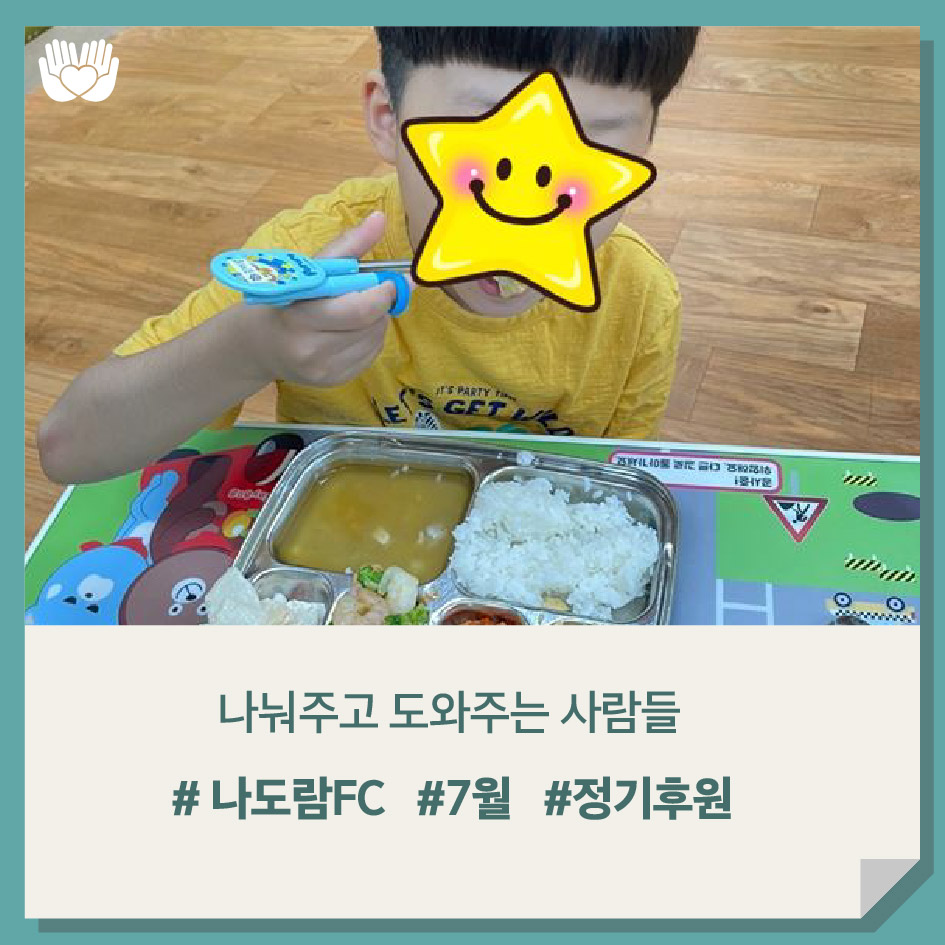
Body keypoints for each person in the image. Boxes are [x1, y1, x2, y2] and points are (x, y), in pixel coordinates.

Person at [39, 26, 700, 484]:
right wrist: (248, 348)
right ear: (388, 118)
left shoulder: (639, 299)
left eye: (597, 143)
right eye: (491, 152)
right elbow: (69, 447)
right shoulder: (305, 257)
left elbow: (619, 477)